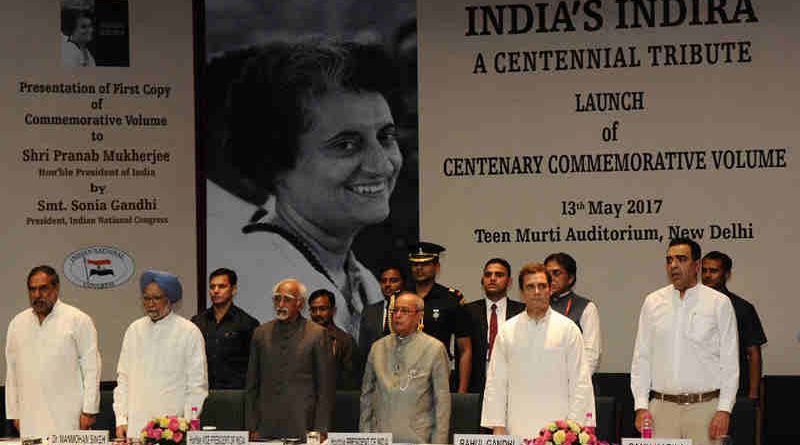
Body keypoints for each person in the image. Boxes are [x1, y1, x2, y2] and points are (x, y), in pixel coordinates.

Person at [207, 38, 403, 344]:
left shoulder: (363, 280)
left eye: (386, 137)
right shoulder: (254, 282)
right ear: (275, 162)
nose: (381, 164)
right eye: (346, 145)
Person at [631, 238, 738, 445]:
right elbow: (641, 358)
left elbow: (730, 361)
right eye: (669, 260)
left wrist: (724, 409)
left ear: (696, 265)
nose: (673, 265)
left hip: (705, 409)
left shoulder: (719, 303)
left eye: (681, 259)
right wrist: (641, 406)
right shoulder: (653, 302)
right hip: (660, 409)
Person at [481, 263, 595, 437]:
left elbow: (580, 382)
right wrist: (497, 425)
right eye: (530, 287)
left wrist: (573, 428)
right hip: (516, 427)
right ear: (522, 292)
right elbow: (496, 382)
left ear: (550, 290)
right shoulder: (507, 331)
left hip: (559, 432)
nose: (536, 292)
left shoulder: (568, 330)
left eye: (542, 286)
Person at [5, 265, 101, 438]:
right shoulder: (17, 324)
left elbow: (92, 368)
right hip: (30, 416)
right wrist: (14, 414)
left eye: (43, 288)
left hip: (69, 415)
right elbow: (12, 372)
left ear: (56, 288)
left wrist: (89, 411)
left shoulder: (77, 320)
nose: (37, 295)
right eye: (32, 289)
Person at [114, 270, 208, 438]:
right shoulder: (134, 330)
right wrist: (121, 419)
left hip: (173, 430)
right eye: (146, 298)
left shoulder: (189, 332)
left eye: (156, 298)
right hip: (135, 425)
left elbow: (197, 386)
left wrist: (185, 425)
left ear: (169, 299)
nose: (150, 303)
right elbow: (123, 379)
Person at [246, 278, 335, 440]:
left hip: (303, 425)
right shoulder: (260, 333)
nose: (280, 305)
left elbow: (325, 388)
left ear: (300, 304)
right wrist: (252, 426)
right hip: (266, 426)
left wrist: (321, 429)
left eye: (287, 299)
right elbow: (252, 384)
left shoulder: (317, 334)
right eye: (277, 299)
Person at [360, 292, 451, 444]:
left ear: (419, 316)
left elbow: (442, 402)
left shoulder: (434, 348)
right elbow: (366, 396)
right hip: (380, 437)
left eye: (405, 311)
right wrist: (365, 436)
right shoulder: (378, 348)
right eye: (395, 311)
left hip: (418, 438)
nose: (398, 315)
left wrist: (439, 442)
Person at [702, 251, 767, 401]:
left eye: (713, 271)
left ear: (727, 274)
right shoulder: (689, 306)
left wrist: (753, 392)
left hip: (735, 389)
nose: (707, 275)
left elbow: (754, 354)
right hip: (699, 389)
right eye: (704, 270)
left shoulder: (742, 308)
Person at [409, 242, 472, 393]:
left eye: (425, 263)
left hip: (438, 376)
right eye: (415, 264)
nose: (419, 268)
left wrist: (461, 392)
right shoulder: (400, 297)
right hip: (404, 377)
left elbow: (465, 349)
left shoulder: (451, 299)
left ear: (437, 267)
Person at [191, 268, 260, 389]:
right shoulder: (197, 322)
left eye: (222, 286)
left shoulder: (247, 324)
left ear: (233, 289)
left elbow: (255, 365)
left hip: (234, 395)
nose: (216, 291)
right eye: (212, 287)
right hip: (202, 392)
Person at [465, 258, 525, 394]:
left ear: (509, 282)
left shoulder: (522, 311)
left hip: (514, 383)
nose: (492, 278)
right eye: (488, 275)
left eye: (499, 275)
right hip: (477, 385)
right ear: (482, 280)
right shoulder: (468, 311)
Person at [544, 253, 602, 374]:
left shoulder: (586, 307)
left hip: (573, 382)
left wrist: (577, 382)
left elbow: (591, 354)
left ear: (570, 278)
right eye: (547, 274)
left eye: (556, 273)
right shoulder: (536, 305)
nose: (551, 279)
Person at [309, 288, 360, 390]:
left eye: (322, 309)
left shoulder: (345, 341)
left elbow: (351, 380)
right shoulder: (303, 338)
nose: (317, 313)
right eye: (313, 309)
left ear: (333, 311)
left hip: (335, 398)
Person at [359, 264, 405, 357]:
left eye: (393, 281)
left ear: (403, 283)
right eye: (384, 281)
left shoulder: (412, 310)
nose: (387, 284)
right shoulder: (369, 311)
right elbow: (363, 348)